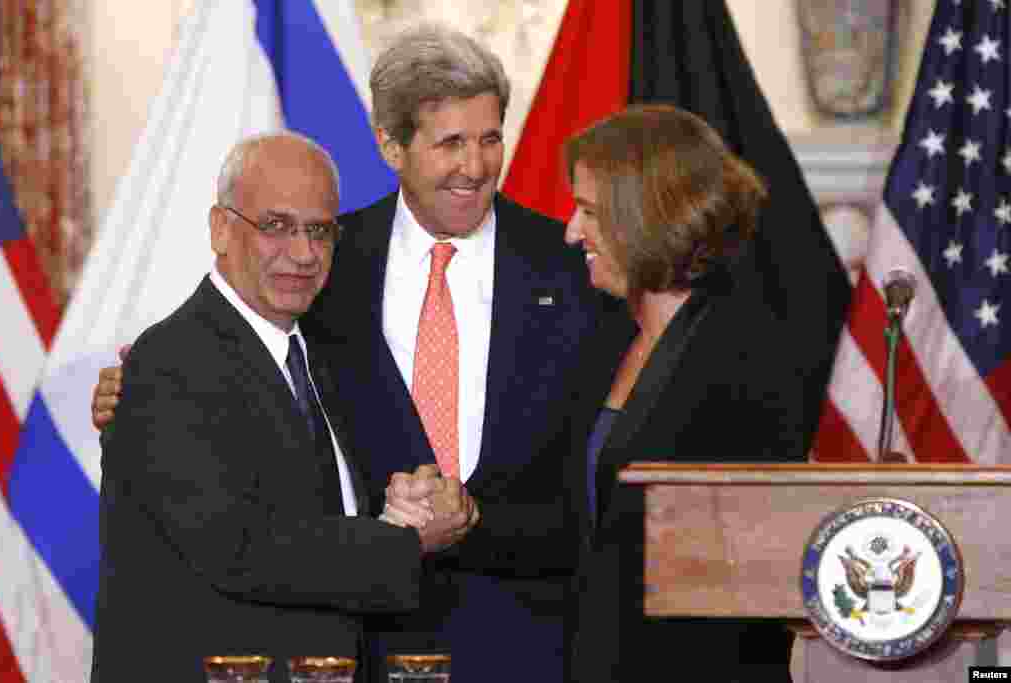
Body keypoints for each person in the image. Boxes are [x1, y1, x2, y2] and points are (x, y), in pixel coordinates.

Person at [93, 24, 604, 683]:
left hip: (526, 645)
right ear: (391, 145)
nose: (473, 166)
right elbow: (233, 472)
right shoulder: (329, 267)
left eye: (489, 138)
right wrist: (129, 395)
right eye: (450, 142)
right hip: (348, 647)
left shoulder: (573, 269)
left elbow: (603, 471)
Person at [90, 132, 474, 683]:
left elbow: (314, 513)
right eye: (276, 226)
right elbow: (242, 548)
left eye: (319, 230)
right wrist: (404, 542)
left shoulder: (320, 356)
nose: (303, 253)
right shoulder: (169, 362)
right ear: (221, 230)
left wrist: (401, 511)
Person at [562, 104, 806, 682]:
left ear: (641, 217)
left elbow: (743, 571)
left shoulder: (743, 352)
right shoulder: (605, 341)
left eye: (589, 211)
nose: (572, 230)